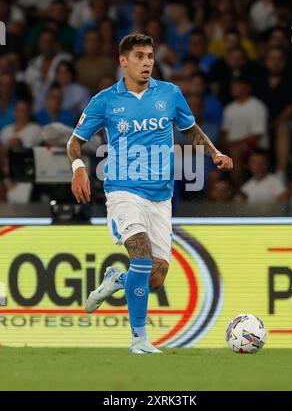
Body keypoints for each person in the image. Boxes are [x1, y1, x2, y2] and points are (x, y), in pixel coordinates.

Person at [66, 31, 233, 354]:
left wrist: (214, 153)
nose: (147, 63)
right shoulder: (105, 101)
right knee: (141, 259)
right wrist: (79, 169)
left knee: (154, 279)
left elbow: (190, 130)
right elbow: (74, 142)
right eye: (140, 57)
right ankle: (139, 340)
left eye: (150, 57)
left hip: (161, 197)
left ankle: (116, 280)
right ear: (123, 61)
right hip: (123, 192)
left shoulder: (170, 94)